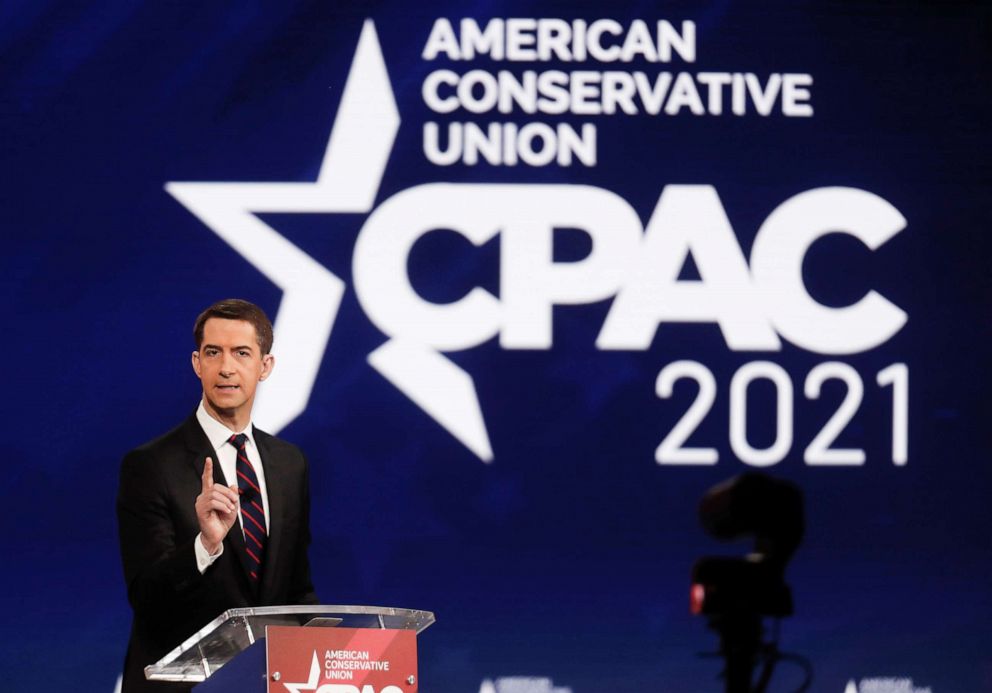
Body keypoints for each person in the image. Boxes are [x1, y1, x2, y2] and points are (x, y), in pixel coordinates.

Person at [117, 299, 318, 692]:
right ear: (197, 364)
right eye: (214, 352)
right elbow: (146, 596)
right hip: (181, 687)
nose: (226, 367)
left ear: (265, 367)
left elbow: (295, 588)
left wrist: (338, 653)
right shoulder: (151, 465)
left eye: (241, 353)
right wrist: (205, 544)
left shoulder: (290, 464)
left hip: (265, 683)